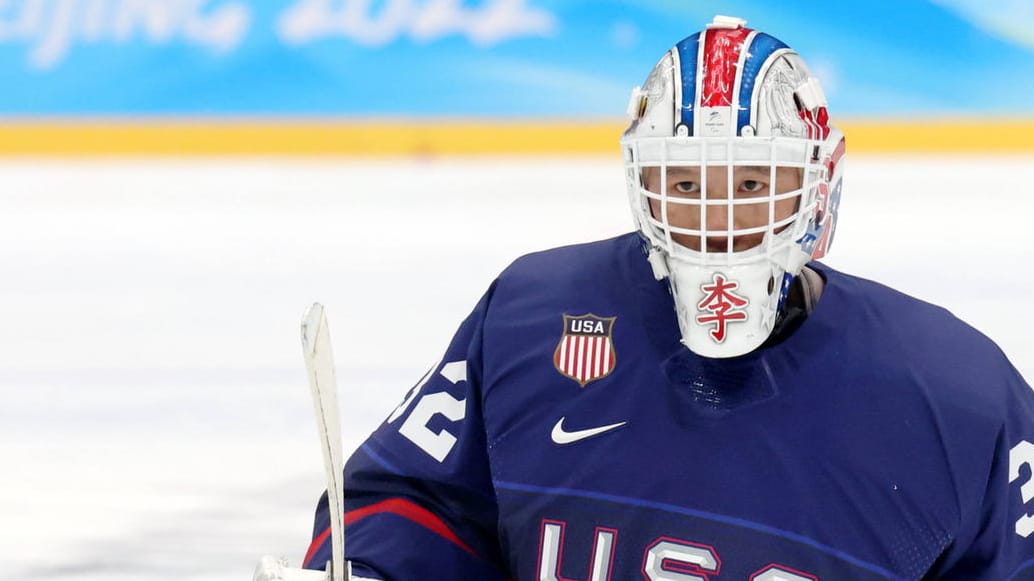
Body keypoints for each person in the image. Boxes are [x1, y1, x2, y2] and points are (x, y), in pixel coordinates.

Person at [302, 15, 1034, 580]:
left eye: (752, 185)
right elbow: (413, 500)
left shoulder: (959, 399)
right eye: (686, 186)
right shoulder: (530, 317)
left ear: (820, 185)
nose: (717, 223)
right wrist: (367, 565)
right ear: (643, 184)